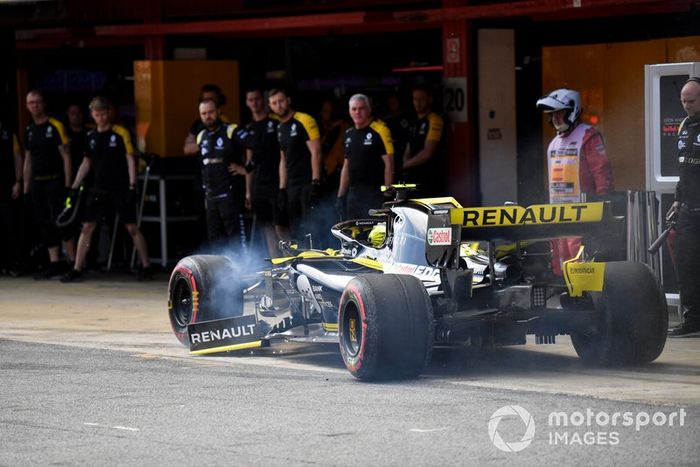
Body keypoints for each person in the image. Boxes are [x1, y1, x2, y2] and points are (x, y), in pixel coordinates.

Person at [61, 97, 152, 282]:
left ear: (108, 113)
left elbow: (130, 159)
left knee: (132, 227)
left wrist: (132, 186)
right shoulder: (91, 137)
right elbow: (86, 163)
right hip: (98, 189)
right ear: (92, 115)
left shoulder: (120, 133)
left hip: (120, 188)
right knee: (87, 227)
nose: (101, 118)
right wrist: (74, 186)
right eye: (97, 114)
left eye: (103, 114)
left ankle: (146, 266)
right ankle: (78, 268)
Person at [536, 88, 613, 276]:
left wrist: (602, 206)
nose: (555, 118)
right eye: (552, 114)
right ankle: (567, 294)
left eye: (559, 113)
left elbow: (601, 173)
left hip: (583, 214)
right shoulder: (553, 143)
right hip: (558, 214)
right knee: (561, 264)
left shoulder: (588, 136)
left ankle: (585, 297)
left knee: (582, 264)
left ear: (572, 111)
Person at [23, 90, 75, 279]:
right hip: (37, 183)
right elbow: (27, 160)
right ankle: (55, 263)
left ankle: (74, 263)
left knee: (61, 222)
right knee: (44, 223)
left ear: (44, 104)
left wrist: (68, 184)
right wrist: (25, 187)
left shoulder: (55, 126)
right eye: (31, 103)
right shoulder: (29, 129)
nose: (34, 106)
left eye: (37, 102)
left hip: (55, 181)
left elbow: (66, 156)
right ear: (27, 106)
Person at [230, 87, 287, 257]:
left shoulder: (275, 123)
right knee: (266, 227)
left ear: (263, 101)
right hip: (259, 185)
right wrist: (248, 191)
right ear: (247, 103)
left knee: (281, 225)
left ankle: (291, 263)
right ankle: (277, 268)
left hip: (277, 181)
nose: (254, 103)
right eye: (250, 100)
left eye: (257, 99)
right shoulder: (248, 128)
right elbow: (249, 160)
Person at [667, 77, 700, 336]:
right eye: (683, 101)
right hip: (689, 208)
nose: (686, 106)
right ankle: (692, 320)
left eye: (692, 100)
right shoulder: (684, 126)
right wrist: (678, 198)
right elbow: (683, 168)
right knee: (687, 264)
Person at [268, 88, 323, 244]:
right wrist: (281, 188)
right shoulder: (279, 127)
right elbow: (283, 159)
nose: (278, 105)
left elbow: (316, 152)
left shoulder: (304, 120)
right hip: (291, 184)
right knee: (283, 224)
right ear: (270, 106)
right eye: (274, 103)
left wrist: (316, 182)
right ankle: (292, 258)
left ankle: (313, 260)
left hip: (307, 182)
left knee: (309, 227)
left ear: (288, 100)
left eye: (281, 101)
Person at [195, 98, 250, 251]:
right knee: (215, 241)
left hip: (230, 195)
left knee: (235, 238)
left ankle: (242, 271)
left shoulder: (230, 130)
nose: (208, 116)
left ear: (219, 111)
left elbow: (255, 145)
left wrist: (246, 168)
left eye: (211, 112)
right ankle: (221, 275)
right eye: (204, 113)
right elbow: (203, 167)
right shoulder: (201, 136)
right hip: (211, 198)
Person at [336, 94, 394, 220]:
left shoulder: (381, 130)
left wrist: (388, 195)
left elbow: (389, 164)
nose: (357, 112)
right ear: (349, 111)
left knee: (375, 235)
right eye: (354, 109)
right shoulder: (348, 134)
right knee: (353, 235)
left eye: (361, 108)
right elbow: (346, 166)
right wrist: (340, 196)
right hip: (354, 194)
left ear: (369, 109)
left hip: (375, 193)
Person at [402, 86, 445, 197]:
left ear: (429, 99)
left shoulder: (434, 119)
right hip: (413, 178)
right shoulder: (413, 122)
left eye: (421, 99)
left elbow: (427, 153)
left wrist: (405, 165)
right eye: (415, 99)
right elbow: (408, 149)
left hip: (431, 178)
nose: (418, 102)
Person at [0, 120, 24, 275]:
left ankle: (14, 263)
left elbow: (18, 156)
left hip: (7, 185)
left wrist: (18, 181)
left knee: (10, 224)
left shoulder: (8, 130)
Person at [382, 92, 410, 181]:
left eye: (394, 103)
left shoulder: (406, 117)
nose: (393, 105)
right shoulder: (385, 121)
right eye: (391, 104)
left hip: (404, 151)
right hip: (391, 152)